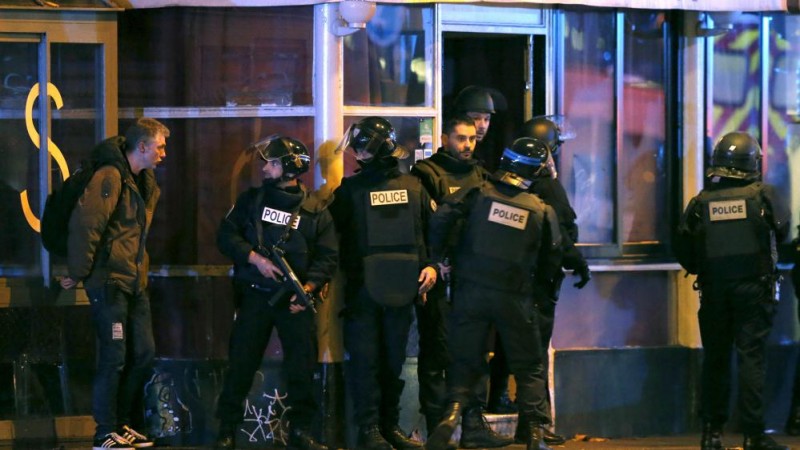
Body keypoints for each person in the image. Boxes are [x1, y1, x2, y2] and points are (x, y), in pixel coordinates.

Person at [426, 137, 564, 450]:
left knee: (465, 360)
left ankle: (451, 416)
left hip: (470, 291)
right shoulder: (541, 211)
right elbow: (552, 259)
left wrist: (443, 255)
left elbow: (441, 218)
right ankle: (536, 434)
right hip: (515, 297)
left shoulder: (476, 194)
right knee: (529, 367)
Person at [214, 136, 338, 450]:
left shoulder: (315, 209)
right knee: (241, 365)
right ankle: (226, 430)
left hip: (295, 301)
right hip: (256, 295)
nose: (265, 167)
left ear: (288, 168)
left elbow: (328, 256)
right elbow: (226, 236)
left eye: (271, 162)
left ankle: (302, 432)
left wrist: (307, 289)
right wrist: (254, 258)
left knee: (301, 367)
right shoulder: (251, 201)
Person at [673, 131, 790, 450]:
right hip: (755, 289)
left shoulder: (701, 201)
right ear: (753, 163)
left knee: (716, 359)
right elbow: (783, 234)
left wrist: (704, 269)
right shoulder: (764, 196)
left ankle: (711, 434)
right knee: (752, 358)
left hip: (714, 292)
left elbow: (683, 245)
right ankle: (754, 435)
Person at [59, 117, 169, 449]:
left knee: (144, 353)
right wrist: (78, 272)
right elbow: (87, 225)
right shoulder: (110, 177)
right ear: (143, 147)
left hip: (134, 281)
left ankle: (121, 422)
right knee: (114, 355)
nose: (164, 153)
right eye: (160, 147)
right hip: (108, 282)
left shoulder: (143, 181)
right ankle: (104, 430)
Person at [329, 117, 438, 450]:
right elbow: (330, 240)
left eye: (362, 148)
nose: (357, 154)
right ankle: (370, 428)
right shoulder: (350, 191)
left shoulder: (415, 188)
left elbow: (431, 234)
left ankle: (388, 426)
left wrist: (432, 265)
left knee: (392, 361)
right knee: (366, 361)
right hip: (365, 290)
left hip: (402, 290)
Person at [410, 115, 509, 448]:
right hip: (438, 278)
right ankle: (440, 426)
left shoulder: (481, 174)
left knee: (476, 352)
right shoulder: (426, 174)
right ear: (443, 138)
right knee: (437, 352)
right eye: (461, 138)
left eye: (472, 139)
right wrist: (433, 264)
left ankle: (473, 423)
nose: (468, 145)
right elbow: (421, 227)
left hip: (473, 279)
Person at [517, 117, 591, 446]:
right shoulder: (547, 187)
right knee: (534, 355)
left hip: (513, 282)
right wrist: (578, 262)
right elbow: (563, 233)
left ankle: (521, 417)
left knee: (515, 349)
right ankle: (535, 424)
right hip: (541, 282)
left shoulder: (509, 185)